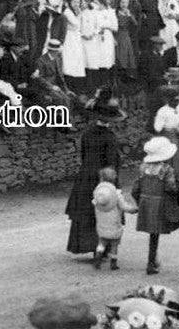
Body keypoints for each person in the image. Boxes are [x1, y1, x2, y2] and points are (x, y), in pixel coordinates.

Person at [64, 104, 123, 256]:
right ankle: (103, 247)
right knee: (105, 208)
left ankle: (86, 245)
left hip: (85, 176)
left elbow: (83, 155)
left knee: (86, 210)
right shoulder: (110, 137)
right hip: (103, 177)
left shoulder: (87, 134)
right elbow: (111, 161)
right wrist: (112, 181)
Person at [131, 135, 179, 275]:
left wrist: (140, 202)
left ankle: (153, 260)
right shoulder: (167, 170)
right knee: (155, 234)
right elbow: (171, 188)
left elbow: (135, 189)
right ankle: (151, 262)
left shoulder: (143, 168)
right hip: (159, 203)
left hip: (146, 202)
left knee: (153, 234)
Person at [90, 165, 133, 271]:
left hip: (101, 224)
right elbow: (123, 206)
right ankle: (113, 263)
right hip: (114, 223)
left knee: (102, 242)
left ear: (102, 178)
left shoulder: (97, 193)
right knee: (114, 244)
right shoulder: (116, 194)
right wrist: (133, 209)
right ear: (114, 179)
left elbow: (94, 203)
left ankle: (98, 258)